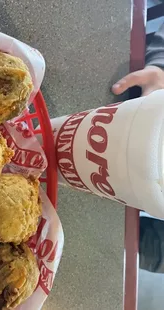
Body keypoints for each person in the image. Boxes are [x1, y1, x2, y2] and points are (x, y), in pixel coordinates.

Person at [112, 23, 164, 273]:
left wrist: (113, 241)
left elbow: (158, 252)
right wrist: (161, 65)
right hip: (132, 98)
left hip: (118, 192)